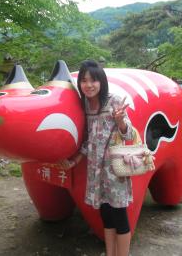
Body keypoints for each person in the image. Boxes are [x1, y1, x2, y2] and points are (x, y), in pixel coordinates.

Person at [57, 59, 137, 256]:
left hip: (114, 171)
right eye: (84, 81)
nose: (89, 85)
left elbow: (130, 135)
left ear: (101, 82)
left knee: (119, 216)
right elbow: (88, 142)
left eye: (93, 80)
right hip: (95, 172)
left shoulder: (114, 101)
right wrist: (74, 161)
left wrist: (121, 122)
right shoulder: (83, 107)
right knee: (106, 215)